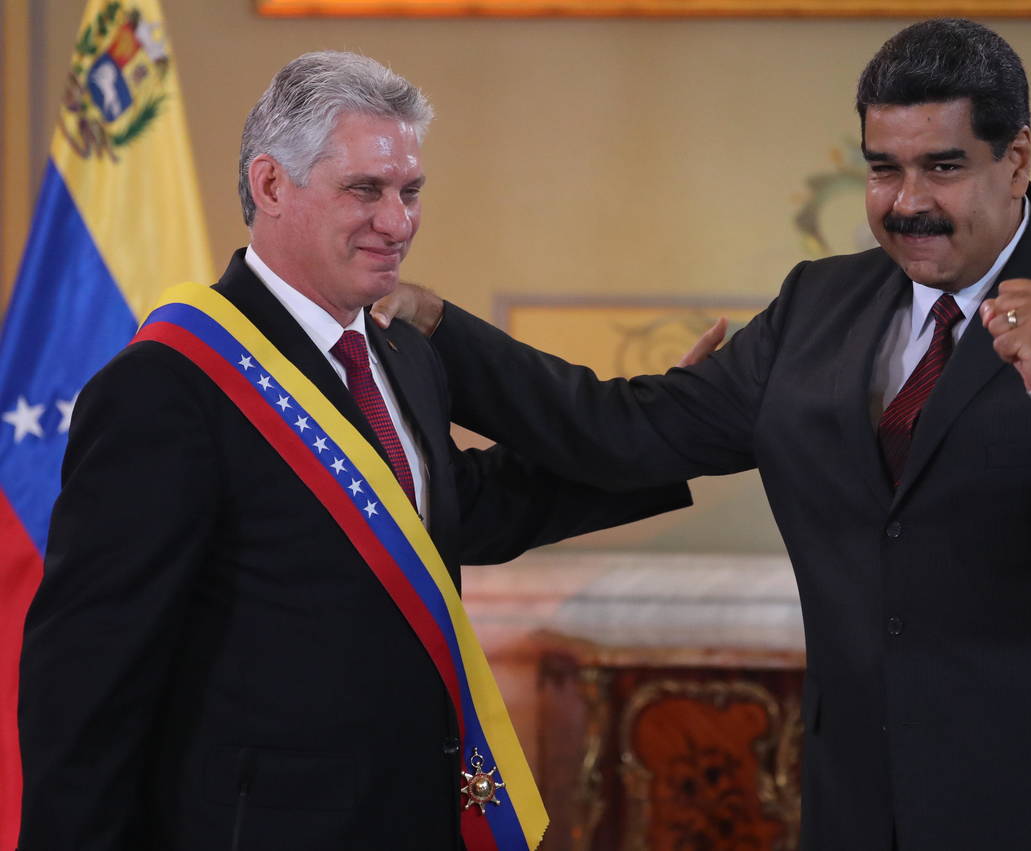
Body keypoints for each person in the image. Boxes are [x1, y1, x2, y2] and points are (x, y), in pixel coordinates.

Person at [374, 19, 1031, 851]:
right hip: (866, 810)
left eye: (943, 167)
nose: (908, 202)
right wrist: (439, 325)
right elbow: (625, 429)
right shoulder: (816, 305)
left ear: (1017, 159)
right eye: (885, 169)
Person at [17, 52, 691, 851]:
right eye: (365, 190)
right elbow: (87, 678)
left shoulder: (401, 352)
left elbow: (455, 509)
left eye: (410, 191)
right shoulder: (166, 386)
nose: (398, 222)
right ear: (271, 185)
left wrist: (664, 440)